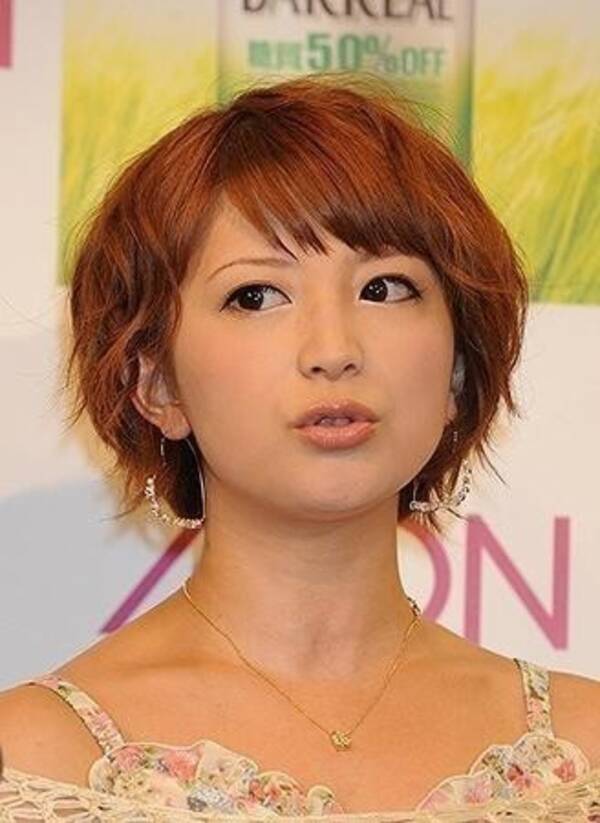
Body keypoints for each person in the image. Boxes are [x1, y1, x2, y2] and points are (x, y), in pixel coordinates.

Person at [0, 73, 599, 822]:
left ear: (456, 370)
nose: (333, 349)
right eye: (256, 296)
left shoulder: (584, 755)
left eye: (385, 288)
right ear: (157, 384)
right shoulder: (36, 762)